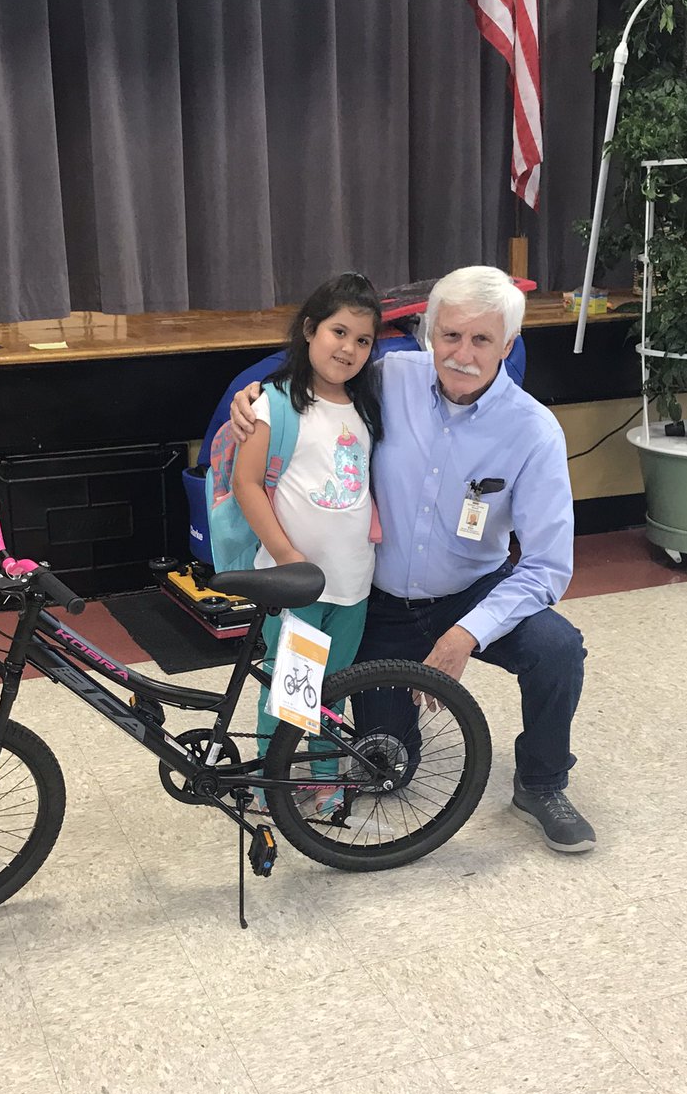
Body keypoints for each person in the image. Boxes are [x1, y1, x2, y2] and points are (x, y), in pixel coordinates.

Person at [230, 265, 593, 852]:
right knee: (386, 770)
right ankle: (290, 766)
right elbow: (316, 370)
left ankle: (542, 781)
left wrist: (466, 636)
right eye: (450, 335)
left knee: (557, 649)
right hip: (376, 600)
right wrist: (252, 400)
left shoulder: (535, 432)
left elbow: (548, 567)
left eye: (481, 340)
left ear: (508, 344)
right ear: (429, 332)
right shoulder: (388, 376)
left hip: (471, 592)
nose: (463, 354)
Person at [232, 271, 383, 814]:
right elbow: (245, 484)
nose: (349, 348)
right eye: (339, 332)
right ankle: (274, 778)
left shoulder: (367, 406)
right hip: (295, 584)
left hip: (352, 581)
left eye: (363, 340)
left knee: (333, 689)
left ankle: (325, 774)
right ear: (310, 330)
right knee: (291, 686)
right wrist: (288, 559)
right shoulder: (274, 403)